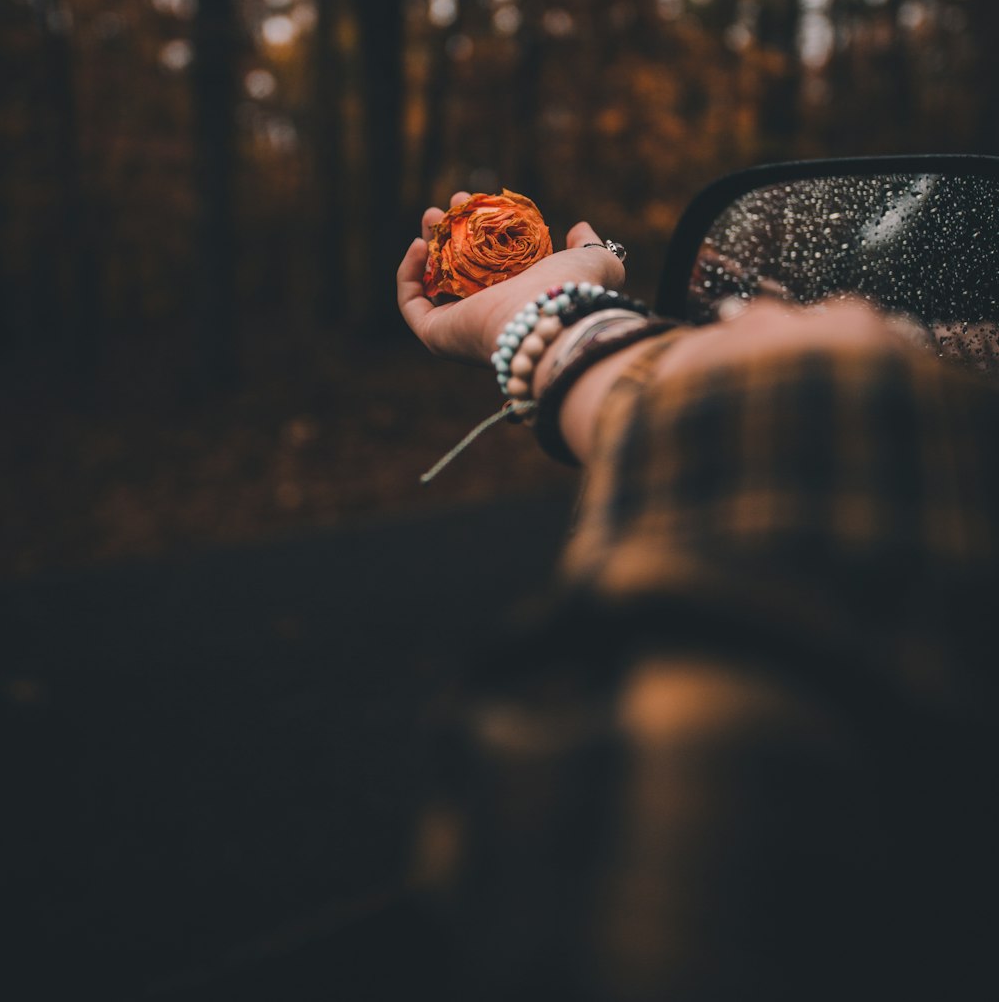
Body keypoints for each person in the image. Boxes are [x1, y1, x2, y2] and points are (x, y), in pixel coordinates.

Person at [396, 196, 999, 1002]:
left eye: (887, 332)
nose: (850, 311)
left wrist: (550, 319)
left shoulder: (614, 842)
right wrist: (550, 317)